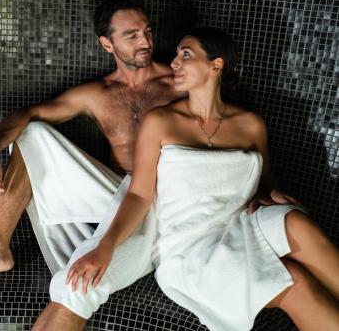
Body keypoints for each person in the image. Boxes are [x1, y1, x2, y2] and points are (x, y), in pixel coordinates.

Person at [35, 28, 339, 331]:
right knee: (295, 283)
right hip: (189, 247)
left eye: (186, 54)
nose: (175, 63)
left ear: (215, 66)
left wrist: (271, 194)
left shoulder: (250, 125)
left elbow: (264, 177)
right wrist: (105, 248)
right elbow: (139, 195)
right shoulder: (160, 122)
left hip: (237, 225)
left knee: (296, 221)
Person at [0, 0, 186, 293]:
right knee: (31, 134)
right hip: (114, 194)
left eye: (147, 31)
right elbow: (29, 114)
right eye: (131, 35)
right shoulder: (97, 94)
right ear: (107, 44)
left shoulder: (178, 84)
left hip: (164, 199)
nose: (145, 41)